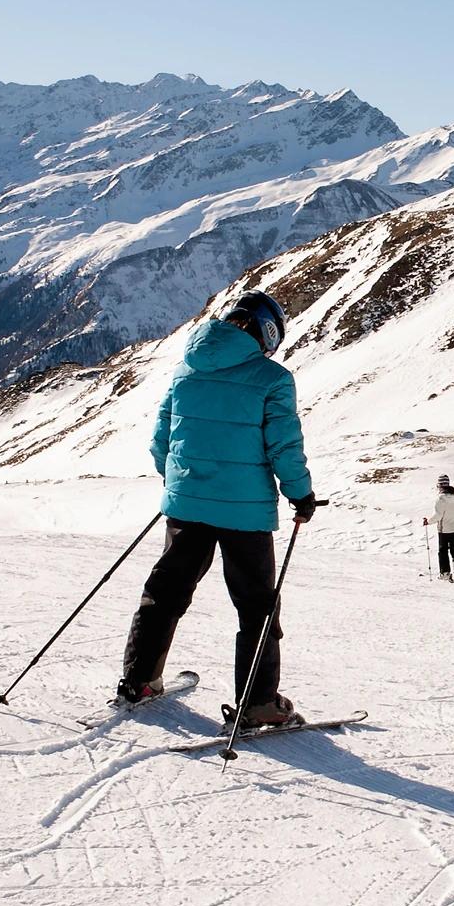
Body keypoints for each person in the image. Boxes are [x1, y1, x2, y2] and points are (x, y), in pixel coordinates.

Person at [119, 290, 318, 724]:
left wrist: (183, 482)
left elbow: (161, 442)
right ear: (268, 333)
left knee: (164, 594)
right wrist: (300, 495)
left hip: (187, 505)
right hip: (245, 515)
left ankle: (139, 681)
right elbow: (283, 446)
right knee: (256, 608)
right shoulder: (273, 379)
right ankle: (258, 703)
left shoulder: (185, 371)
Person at [431, 475, 454, 583]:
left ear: (440, 485)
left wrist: (428, 521)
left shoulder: (440, 499)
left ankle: (445, 573)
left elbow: (438, 515)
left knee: (443, 551)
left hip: (444, 530)